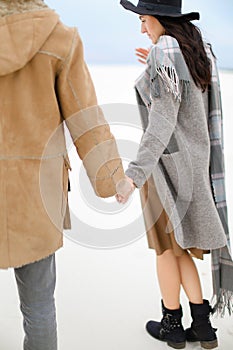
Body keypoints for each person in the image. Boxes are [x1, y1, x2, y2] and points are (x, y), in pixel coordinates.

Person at [0, 0, 125, 349]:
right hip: (35, 196)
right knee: (38, 306)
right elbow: (85, 116)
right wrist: (112, 177)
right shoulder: (59, 38)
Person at [117, 0, 233, 349]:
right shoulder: (195, 53)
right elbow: (186, 107)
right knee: (180, 250)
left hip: (165, 169)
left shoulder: (164, 54)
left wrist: (135, 174)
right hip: (195, 165)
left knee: (166, 251)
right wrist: (151, 69)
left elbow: (163, 122)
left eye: (144, 20)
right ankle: (202, 326)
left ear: (160, 19)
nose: (142, 28)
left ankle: (171, 324)